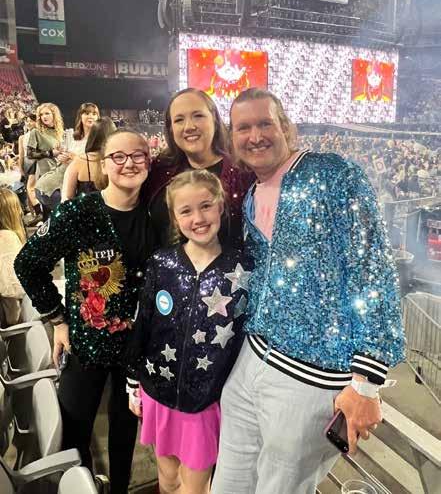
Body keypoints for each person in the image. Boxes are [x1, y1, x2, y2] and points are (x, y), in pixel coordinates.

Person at [211, 88, 405, 494]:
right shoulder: (250, 196)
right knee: (228, 484)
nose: (255, 136)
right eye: (243, 128)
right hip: (250, 360)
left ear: (285, 127)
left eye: (265, 123)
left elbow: (373, 272)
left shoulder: (334, 174)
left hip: (308, 377)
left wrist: (367, 383)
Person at [15, 129, 155, 494]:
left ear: (149, 162)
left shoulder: (157, 214)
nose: (129, 163)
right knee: (74, 436)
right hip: (86, 345)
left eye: (138, 155)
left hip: (136, 352)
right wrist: (58, 320)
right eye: (118, 156)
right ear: (103, 165)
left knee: (125, 435)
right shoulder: (78, 212)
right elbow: (27, 263)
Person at [126, 169, 251, 494]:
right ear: (175, 218)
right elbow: (144, 323)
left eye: (206, 206)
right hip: (158, 392)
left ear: (221, 206)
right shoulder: (162, 263)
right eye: (186, 210)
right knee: (167, 480)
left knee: (194, 487)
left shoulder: (242, 270)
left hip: (205, 403)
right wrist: (132, 381)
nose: (198, 218)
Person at [142, 87, 253, 249]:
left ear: (214, 120)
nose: (189, 126)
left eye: (198, 116)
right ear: (171, 129)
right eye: (179, 120)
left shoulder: (243, 173)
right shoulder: (159, 170)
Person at [35, 103, 100, 216]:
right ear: (80, 116)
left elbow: (96, 165)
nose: (90, 116)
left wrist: (75, 158)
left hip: (76, 189)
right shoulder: (75, 137)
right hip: (54, 182)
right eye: (86, 113)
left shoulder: (98, 139)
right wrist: (62, 158)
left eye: (94, 114)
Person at [25, 103, 64, 222]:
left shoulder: (59, 131)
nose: (44, 117)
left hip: (60, 173)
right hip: (45, 175)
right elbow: (30, 154)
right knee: (50, 212)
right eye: (41, 114)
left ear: (54, 115)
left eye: (47, 113)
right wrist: (50, 153)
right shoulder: (36, 132)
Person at [62, 117, 116, 201]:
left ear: (92, 136)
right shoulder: (118, 161)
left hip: (84, 208)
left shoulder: (79, 161)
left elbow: (69, 195)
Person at [0, 187, 26, 327]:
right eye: (17, 208)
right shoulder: (7, 238)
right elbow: (14, 288)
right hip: (9, 319)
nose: (21, 211)